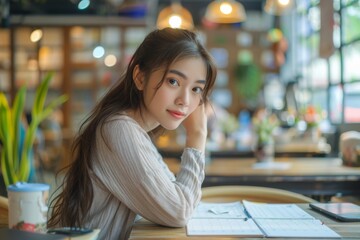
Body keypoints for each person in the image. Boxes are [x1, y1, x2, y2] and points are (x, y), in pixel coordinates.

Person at [47, 27, 217, 240]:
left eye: (196, 89)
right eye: (173, 81)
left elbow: (175, 197)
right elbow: (178, 212)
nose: (184, 100)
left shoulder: (136, 132)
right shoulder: (118, 129)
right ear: (139, 78)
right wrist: (198, 135)